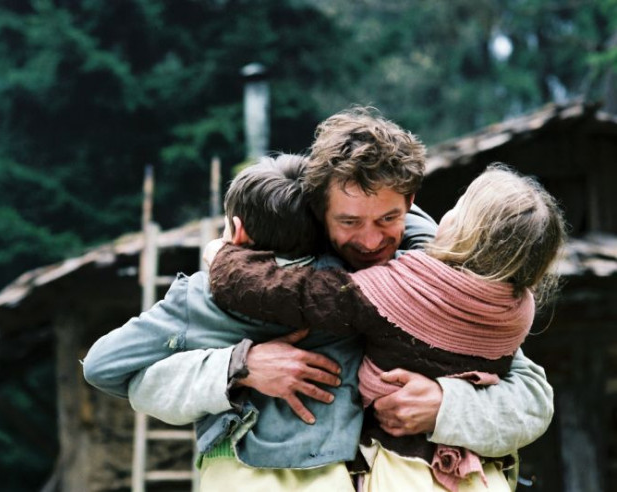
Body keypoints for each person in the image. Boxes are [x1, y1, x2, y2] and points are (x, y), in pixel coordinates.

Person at [90, 108, 553, 489]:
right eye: (349, 222)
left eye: (388, 218)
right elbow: (136, 380)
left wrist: (446, 405)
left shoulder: (436, 282)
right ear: (318, 208)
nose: (371, 241)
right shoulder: (237, 286)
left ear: (410, 202)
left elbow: (533, 399)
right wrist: (239, 366)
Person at [207, 164, 567, 491]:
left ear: (465, 230)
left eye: (458, 208)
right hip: (480, 477)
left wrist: (225, 259)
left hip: (401, 471)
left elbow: (293, 294)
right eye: (350, 220)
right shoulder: (518, 310)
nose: (369, 240)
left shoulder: (398, 287)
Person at [85, 154, 367, 490]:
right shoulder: (359, 282)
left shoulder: (201, 298)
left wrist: (232, 364)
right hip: (333, 471)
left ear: (238, 230)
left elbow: (101, 366)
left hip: (233, 472)